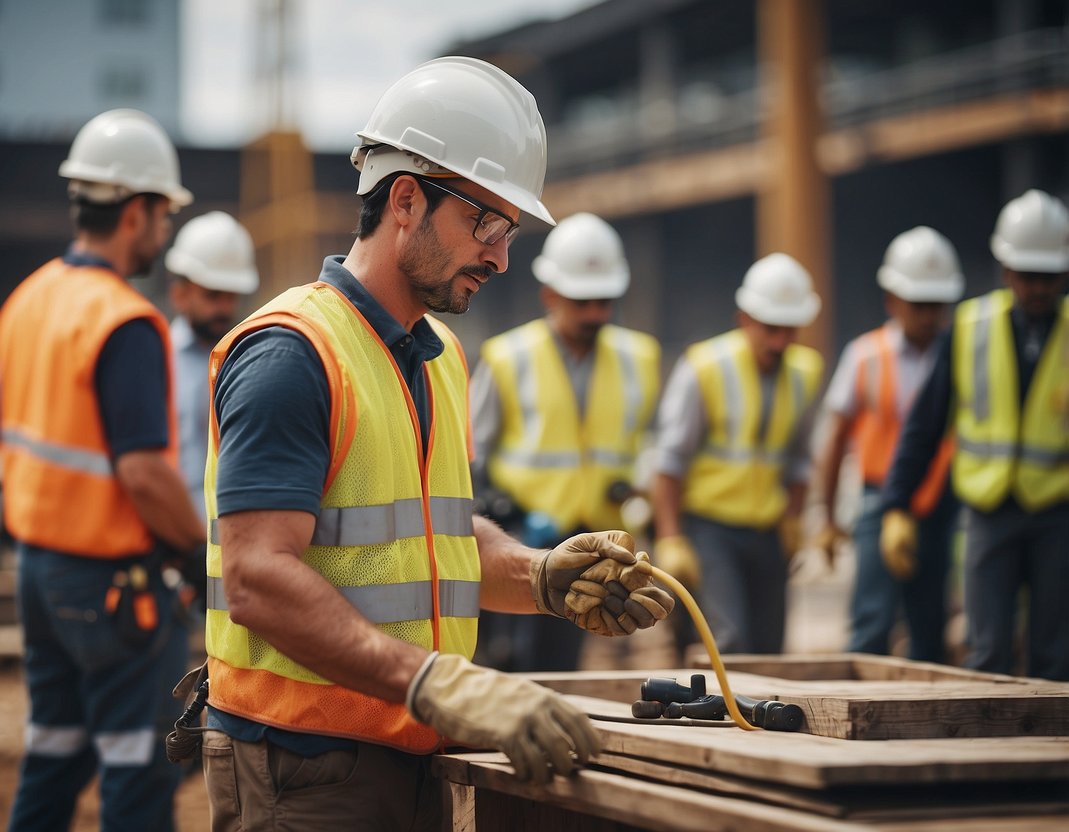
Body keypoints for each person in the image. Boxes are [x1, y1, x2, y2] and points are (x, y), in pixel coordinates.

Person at [196, 57, 674, 831]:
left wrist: (539, 575)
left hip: (406, 750)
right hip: (301, 767)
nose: (500, 255)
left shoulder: (435, 356)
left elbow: (432, 538)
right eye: (484, 223)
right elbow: (255, 576)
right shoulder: (292, 352)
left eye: (507, 231)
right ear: (407, 199)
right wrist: (434, 683)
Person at [0, 108, 206, 831]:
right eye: (163, 214)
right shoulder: (125, 321)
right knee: (136, 770)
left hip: (37, 572)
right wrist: (202, 559)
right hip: (111, 584)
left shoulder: (30, 297)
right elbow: (142, 473)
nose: (165, 233)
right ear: (135, 212)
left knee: (54, 751)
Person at [882, 189, 1069, 681]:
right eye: (1027, 276)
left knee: (1056, 654)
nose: (1038, 288)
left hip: (1058, 514)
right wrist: (896, 504)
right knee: (987, 652)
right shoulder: (969, 328)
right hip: (989, 512)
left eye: (1047, 276)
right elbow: (925, 426)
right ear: (1006, 271)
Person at [469, 212, 662, 672]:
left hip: (598, 535)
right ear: (551, 294)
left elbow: (647, 445)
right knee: (512, 662)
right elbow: (471, 452)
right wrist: (498, 508)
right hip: (519, 535)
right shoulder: (507, 357)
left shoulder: (640, 359)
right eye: (582, 301)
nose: (595, 313)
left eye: (604, 301)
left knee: (563, 667)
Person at [651, 253, 823, 654]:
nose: (779, 341)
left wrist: (794, 519)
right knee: (728, 640)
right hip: (711, 529)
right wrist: (672, 537)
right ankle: (725, 716)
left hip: (768, 530)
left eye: (789, 329)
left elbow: (799, 459)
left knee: (769, 648)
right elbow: (670, 462)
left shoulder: (805, 373)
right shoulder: (704, 368)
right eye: (770, 328)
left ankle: (760, 718)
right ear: (744, 318)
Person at [815, 227, 963, 662]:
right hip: (879, 499)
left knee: (931, 624)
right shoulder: (865, 355)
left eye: (937, 304)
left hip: (939, 500)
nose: (929, 315)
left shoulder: (959, 354)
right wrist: (826, 517)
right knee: (871, 621)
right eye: (919, 304)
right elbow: (835, 438)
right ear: (892, 300)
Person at [165, 211, 259, 520]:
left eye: (231, 297)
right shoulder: (159, 361)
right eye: (213, 295)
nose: (224, 308)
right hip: (171, 539)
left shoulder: (251, 362)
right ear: (180, 294)